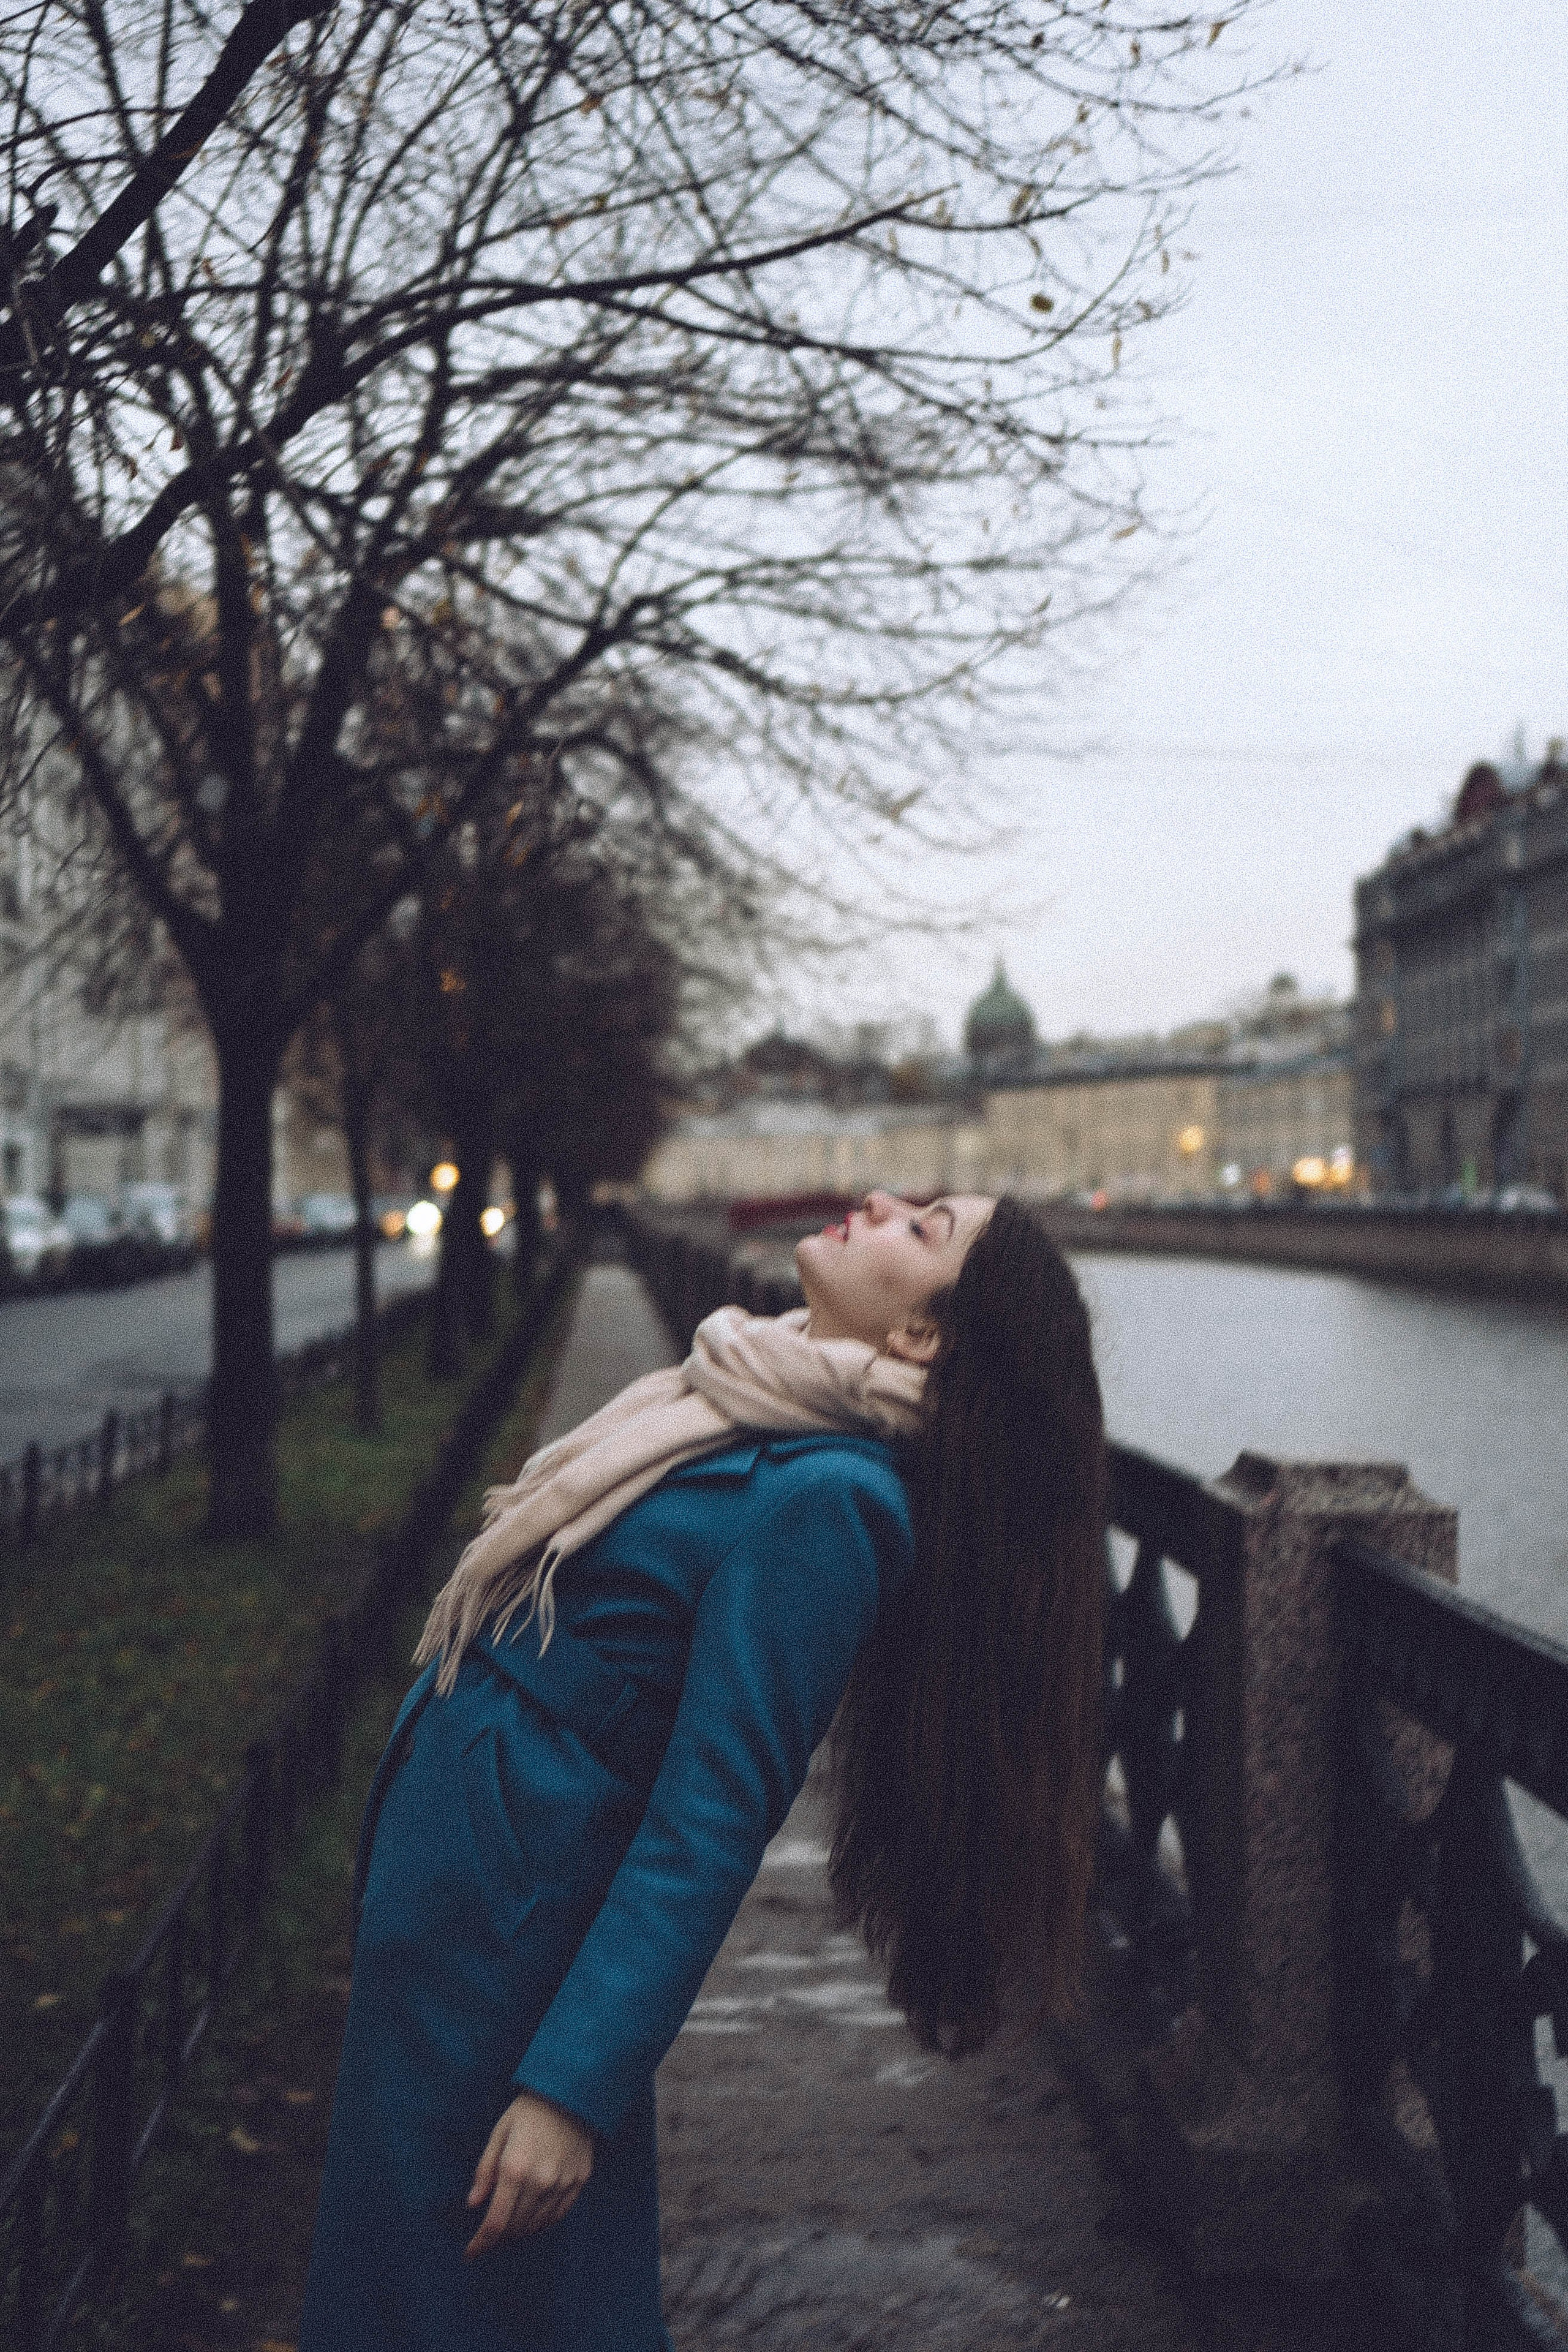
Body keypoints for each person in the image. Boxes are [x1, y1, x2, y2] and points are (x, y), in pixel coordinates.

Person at [298, 1190, 1106, 2352]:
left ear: (925, 1336)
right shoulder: (741, 1401)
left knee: (464, 2300)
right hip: (466, 1908)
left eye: (923, 1227)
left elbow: (713, 1819)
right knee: (415, 2287)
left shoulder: (832, 1501)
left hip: (520, 1947)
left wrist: (573, 2092)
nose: (878, 1201)